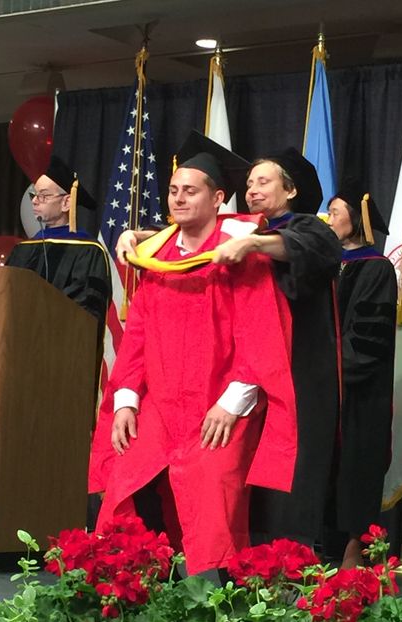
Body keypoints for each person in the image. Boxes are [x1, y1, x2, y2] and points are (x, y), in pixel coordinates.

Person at [116, 148, 342, 551]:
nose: (251, 190)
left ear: (291, 191)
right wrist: (138, 235)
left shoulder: (308, 229)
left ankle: (281, 579)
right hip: (241, 373)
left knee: (284, 486)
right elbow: (193, 233)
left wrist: (254, 245)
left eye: (263, 181)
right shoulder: (238, 231)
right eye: (249, 182)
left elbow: (309, 249)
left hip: (294, 373)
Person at [95, 131, 298, 576]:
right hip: (162, 407)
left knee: (213, 498)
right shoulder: (158, 258)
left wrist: (231, 404)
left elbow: (261, 338)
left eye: (190, 191)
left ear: (218, 197)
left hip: (220, 403)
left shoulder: (242, 256)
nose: (178, 199)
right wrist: (126, 400)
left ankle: (214, 604)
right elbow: (137, 338)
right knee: (121, 480)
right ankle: (123, 589)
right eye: (172, 191)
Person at [325, 180, 397, 568]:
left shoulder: (376, 268)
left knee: (357, 464)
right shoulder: (326, 263)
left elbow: (369, 340)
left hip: (359, 392)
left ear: (356, 219)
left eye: (334, 211)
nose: (328, 217)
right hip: (325, 389)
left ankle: (356, 550)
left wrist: (331, 373)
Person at [7, 155, 112, 362]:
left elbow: (87, 311)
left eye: (44, 196)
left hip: (62, 357)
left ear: (66, 202)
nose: (35, 201)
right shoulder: (23, 250)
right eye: (34, 195)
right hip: (16, 350)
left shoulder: (88, 251)